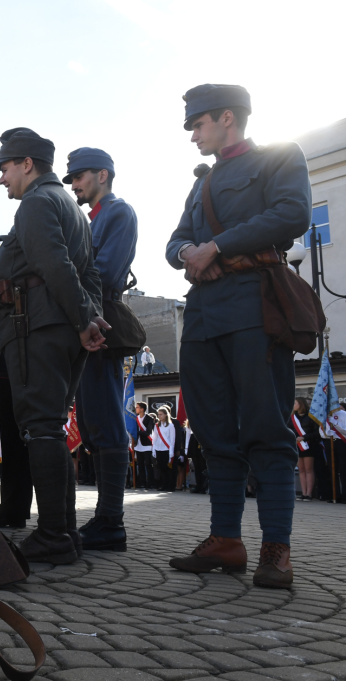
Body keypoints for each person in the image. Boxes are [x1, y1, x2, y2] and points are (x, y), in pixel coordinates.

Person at [165, 84, 310, 589]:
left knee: (267, 429)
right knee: (214, 432)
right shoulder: (201, 181)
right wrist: (189, 254)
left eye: (198, 125)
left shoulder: (279, 157)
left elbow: (292, 214)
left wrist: (217, 246)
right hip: (203, 315)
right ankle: (225, 540)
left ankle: (277, 550)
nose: (193, 136)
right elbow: (175, 240)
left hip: (255, 308)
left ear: (228, 117)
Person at [0, 127, 107, 564]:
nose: (2, 178)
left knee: (40, 426)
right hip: (62, 325)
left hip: (37, 325)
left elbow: (53, 264)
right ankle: (64, 532)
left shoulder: (37, 202)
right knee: (51, 427)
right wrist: (90, 318)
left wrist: (83, 319)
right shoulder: (72, 208)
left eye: (5, 167)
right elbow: (89, 272)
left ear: (26, 164)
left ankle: (54, 535)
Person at [62, 147, 138, 551]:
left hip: (101, 323)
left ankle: (112, 521)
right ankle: (106, 518)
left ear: (102, 175)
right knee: (90, 421)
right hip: (83, 323)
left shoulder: (118, 213)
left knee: (106, 418)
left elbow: (106, 272)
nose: (74, 184)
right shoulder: (86, 219)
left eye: (79, 177)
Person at [292, 397, 320, 501]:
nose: (293, 405)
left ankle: (309, 494)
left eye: (295, 403)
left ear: (301, 404)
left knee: (308, 469)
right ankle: (303, 493)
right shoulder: (292, 418)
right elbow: (289, 430)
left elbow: (317, 433)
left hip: (309, 445)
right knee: (301, 470)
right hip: (297, 445)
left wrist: (304, 437)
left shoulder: (311, 417)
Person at [152, 406, 176, 492]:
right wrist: (154, 449)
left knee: (168, 469)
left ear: (166, 415)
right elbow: (154, 438)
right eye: (158, 414)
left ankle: (170, 486)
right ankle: (164, 485)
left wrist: (171, 451)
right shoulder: (156, 425)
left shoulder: (170, 425)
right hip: (159, 449)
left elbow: (172, 440)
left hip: (167, 449)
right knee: (161, 468)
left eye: (161, 414)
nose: (159, 416)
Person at [133, 402, 156, 490]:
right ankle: (142, 482)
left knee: (148, 464)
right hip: (138, 444)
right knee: (140, 464)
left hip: (147, 444)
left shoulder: (149, 418)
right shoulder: (135, 418)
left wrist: (137, 432)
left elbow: (148, 432)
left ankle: (150, 482)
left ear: (142, 409)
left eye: (137, 407)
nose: (136, 409)